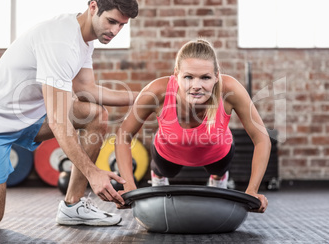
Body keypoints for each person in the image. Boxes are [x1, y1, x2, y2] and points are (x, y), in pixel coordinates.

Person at [0, 0, 139, 228]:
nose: (115, 31)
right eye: (112, 21)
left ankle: (72, 205)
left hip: (26, 119)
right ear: (93, 7)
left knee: (94, 115)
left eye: (122, 25)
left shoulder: (85, 38)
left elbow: (85, 88)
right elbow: (59, 122)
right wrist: (93, 173)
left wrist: (144, 96)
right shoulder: (60, 41)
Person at [115, 39, 270, 213]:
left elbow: (262, 139)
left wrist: (252, 191)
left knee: (219, 168)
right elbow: (123, 135)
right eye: (188, 77)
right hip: (168, 151)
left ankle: (219, 179)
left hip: (217, 151)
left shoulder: (230, 90)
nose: (197, 86)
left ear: (216, 76)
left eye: (205, 77)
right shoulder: (157, 91)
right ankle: (158, 176)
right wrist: (129, 186)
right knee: (164, 169)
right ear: (176, 75)